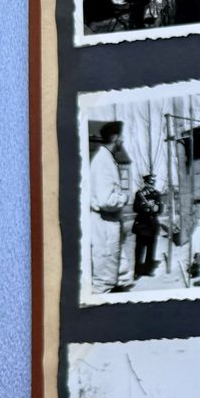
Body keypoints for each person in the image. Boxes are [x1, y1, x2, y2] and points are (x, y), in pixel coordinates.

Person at [88, 121, 130, 294]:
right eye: (122, 136)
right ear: (116, 137)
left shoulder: (107, 159)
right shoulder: (103, 162)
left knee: (116, 267)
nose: (123, 140)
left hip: (110, 222)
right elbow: (106, 201)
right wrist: (124, 198)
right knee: (105, 275)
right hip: (104, 223)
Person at [130, 173, 163, 280]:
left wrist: (156, 207)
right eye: (150, 183)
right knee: (139, 250)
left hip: (152, 225)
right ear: (145, 183)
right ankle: (137, 271)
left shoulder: (157, 194)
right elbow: (135, 208)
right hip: (142, 226)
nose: (152, 185)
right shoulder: (139, 194)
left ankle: (147, 270)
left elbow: (160, 209)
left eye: (153, 183)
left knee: (151, 249)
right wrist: (145, 206)